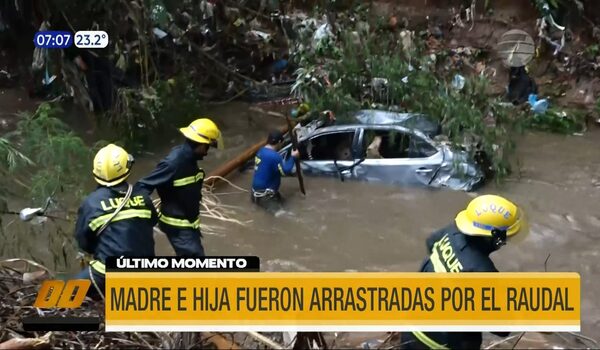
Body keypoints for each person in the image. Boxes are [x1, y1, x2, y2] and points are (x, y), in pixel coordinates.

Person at [399, 194, 528, 350]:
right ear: (495, 238)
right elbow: (501, 328)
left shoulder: (450, 232)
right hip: (439, 345)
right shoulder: (482, 271)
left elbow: (430, 243)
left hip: (409, 330)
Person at [74, 144, 159, 300]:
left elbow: (84, 243)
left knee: (64, 292)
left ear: (95, 172)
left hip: (108, 272)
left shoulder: (91, 203)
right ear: (127, 170)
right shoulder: (143, 197)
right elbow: (151, 223)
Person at [137, 118, 223, 257]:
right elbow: (142, 187)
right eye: (207, 147)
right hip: (178, 227)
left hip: (188, 224)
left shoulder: (189, 159)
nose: (207, 152)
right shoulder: (174, 163)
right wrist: (150, 216)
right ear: (200, 145)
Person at [251, 130, 300, 214]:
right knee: (282, 216)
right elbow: (285, 171)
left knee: (285, 205)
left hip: (256, 193)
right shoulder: (274, 156)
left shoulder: (261, 151)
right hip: (266, 196)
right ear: (279, 142)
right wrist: (293, 157)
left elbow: (270, 170)